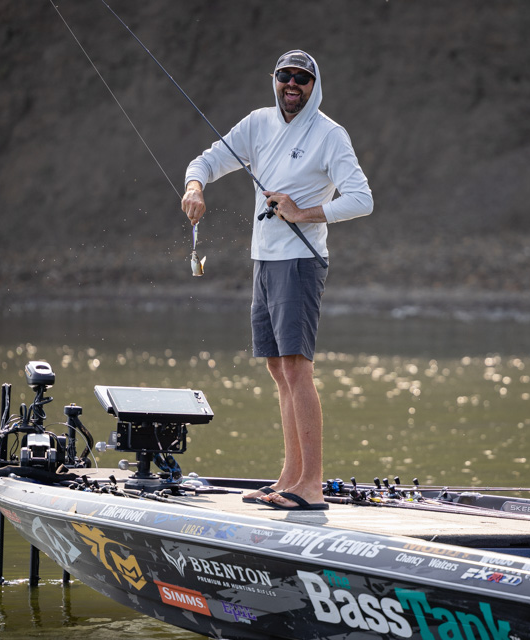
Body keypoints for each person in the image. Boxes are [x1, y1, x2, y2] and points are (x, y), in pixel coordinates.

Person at [181, 50, 373, 510]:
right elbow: (206, 162)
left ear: (314, 86)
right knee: (278, 368)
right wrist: (194, 187)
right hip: (264, 260)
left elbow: (362, 198)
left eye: (302, 78)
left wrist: (302, 212)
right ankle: (289, 477)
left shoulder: (329, 134)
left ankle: (311, 485)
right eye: (286, 75)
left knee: (297, 367)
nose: (292, 84)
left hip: (300, 262)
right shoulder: (258, 123)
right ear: (275, 79)